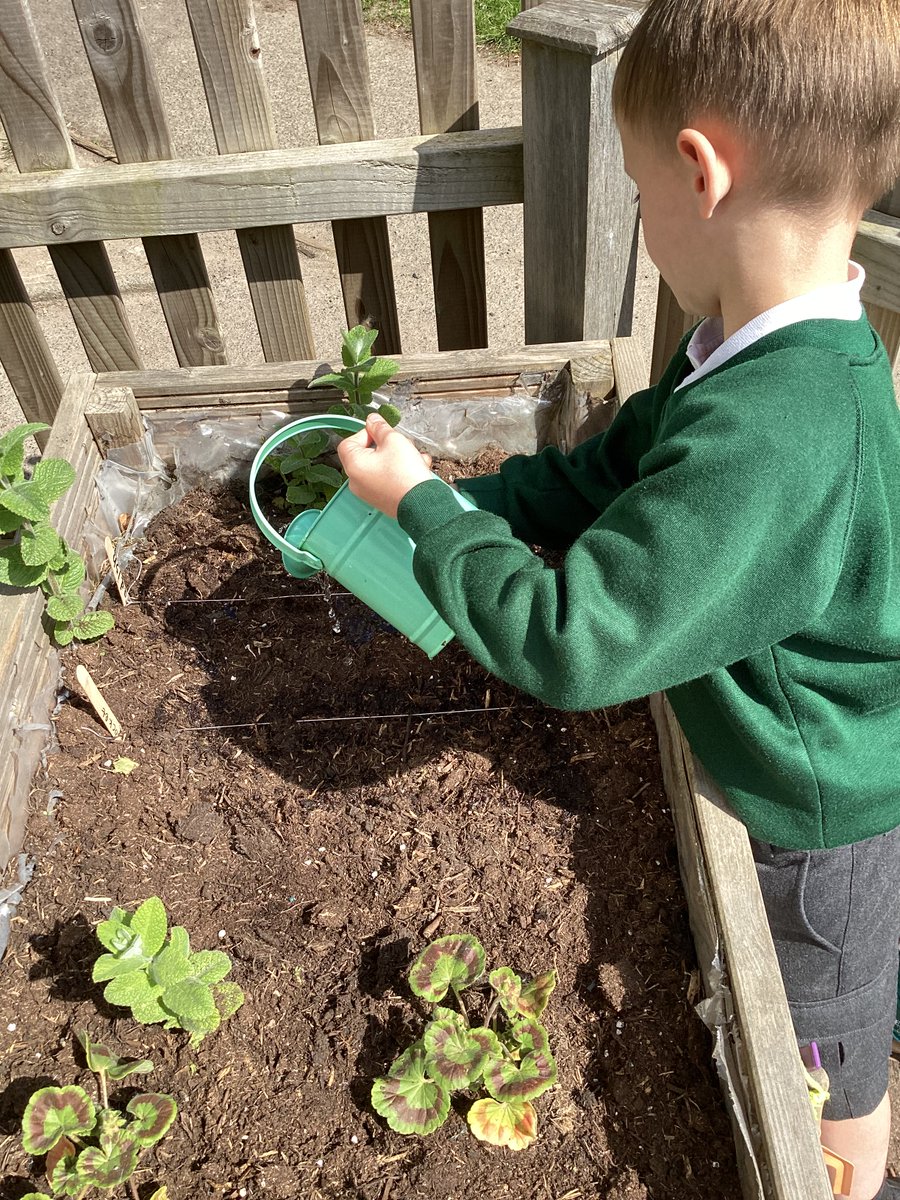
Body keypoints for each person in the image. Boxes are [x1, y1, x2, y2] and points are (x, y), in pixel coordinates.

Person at [337, 1, 900, 1195]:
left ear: (699, 172)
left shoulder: (780, 442)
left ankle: (848, 1170)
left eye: (637, 192)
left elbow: (575, 642)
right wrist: (474, 504)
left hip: (812, 822)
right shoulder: (749, 353)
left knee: (827, 1056)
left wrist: (429, 519)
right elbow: (609, 471)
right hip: (791, 755)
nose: (643, 223)